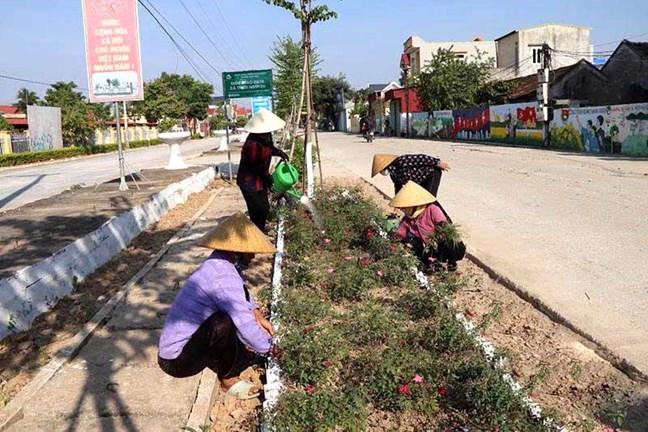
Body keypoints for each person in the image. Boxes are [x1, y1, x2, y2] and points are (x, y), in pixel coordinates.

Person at [158, 212, 279, 400]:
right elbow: (244, 322)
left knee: (237, 330)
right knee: (223, 322)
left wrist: (257, 314)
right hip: (177, 361)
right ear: (236, 251)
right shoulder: (222, 277)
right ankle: (228, 379)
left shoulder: (220, 262)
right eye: (250, 251)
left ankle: (233, 359)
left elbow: (242, 293)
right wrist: (270, 348)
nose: (253, 256)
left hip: (190, 344)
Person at [389, 181, 465, 271]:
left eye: (404, 207)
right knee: (409, 240)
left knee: (448, 242)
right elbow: (401, 232)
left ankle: (451, 262)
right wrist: (395, 236)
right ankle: (433, 263)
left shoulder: (431, 209)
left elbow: (442, 223)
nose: (403, 210)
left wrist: (439, 233)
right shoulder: (407, 219)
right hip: (429, 248)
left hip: (445, 245)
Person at [237, 108, 289, 232]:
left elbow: (270, 148)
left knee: (264, 208)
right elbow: (256, 166)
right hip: (249, 182)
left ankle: (259, 232)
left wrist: (280, 153)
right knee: (257, 210)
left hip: (259, 181)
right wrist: (268, 178)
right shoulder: (253, 145)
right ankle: (255, 235)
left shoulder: (265, 137)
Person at [371, 153, 451, 197]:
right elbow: (398, 187)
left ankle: (443, 220)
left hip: (431, 173)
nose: (381, 173)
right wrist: (397, 203)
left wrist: (437, 163)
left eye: (381, 170)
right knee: (422, 199)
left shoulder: (401, 161)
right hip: (420, 180)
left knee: (430, 198)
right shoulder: (393, 174)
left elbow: (422, 158)